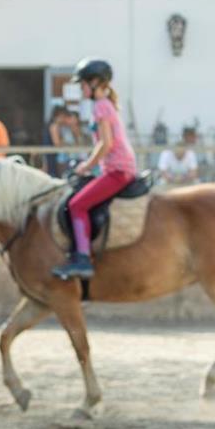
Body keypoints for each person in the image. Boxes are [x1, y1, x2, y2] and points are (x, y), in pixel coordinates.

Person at [54, 57, 136, 281]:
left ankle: (82, 258)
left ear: (95, 83)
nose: (80, 89)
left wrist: (86, 166)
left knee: (76, 204)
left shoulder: (100, 106)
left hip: (117, 170)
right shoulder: (105, 105)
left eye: (82, 84)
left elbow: (106, 144)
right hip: (115, 168)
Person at [48, 103, 85, 178]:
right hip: (60, 158)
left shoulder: (65, 127)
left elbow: (79, 140)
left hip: (70, 158)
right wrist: (70, 145)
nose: (64, 119)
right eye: (62, 116)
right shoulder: (55, 126)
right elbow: (57, 143)